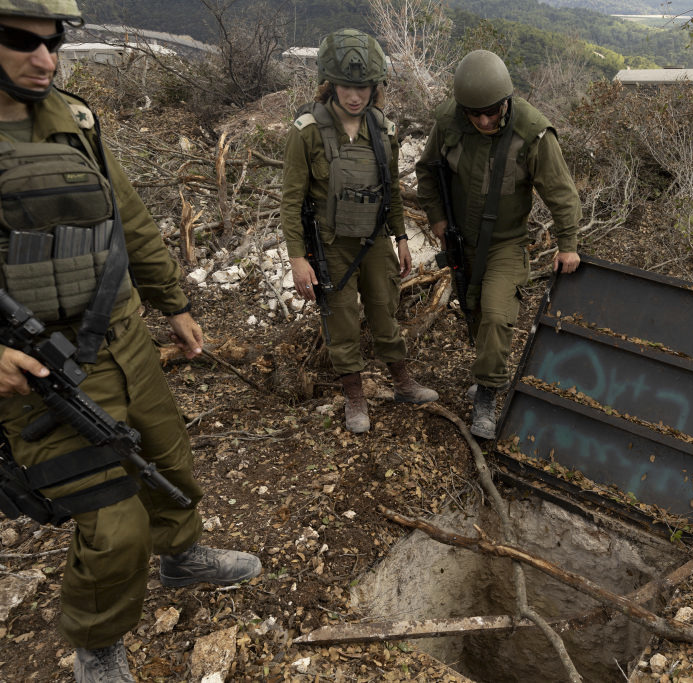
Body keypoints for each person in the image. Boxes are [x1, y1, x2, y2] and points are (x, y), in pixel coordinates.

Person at [0, 1, 261, 680]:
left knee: (169, 457)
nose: (44, 59)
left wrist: (172, 301)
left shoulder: (73, 121)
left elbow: (130, 218)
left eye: (52, 43)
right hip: (38, 372)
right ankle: (98, 643)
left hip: (120, 337)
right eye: (21, 42)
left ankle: (183, 557)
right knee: (113, 525)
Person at [415, 50, 582, 439]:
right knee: (473, 310)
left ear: (506, 100)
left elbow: (561, 192)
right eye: (476, 114)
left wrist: (568, 243)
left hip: (506, 242)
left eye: (493, 111)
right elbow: (426, 170)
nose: (486, 120)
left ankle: (487, 394)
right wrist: (438, 218)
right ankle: (486, 372)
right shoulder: (449, 122)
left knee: (495, 313)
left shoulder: (531, 132)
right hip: (462, 238)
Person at [282, 28, 437, 434]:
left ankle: (402, 382)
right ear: (330, 84)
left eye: (363, 87)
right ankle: (354, 396)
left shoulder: (383, 130)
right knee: (343, 321)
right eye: (347, 86)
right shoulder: (307, 131)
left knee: (386, 310)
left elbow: (393, 192)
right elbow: (291, 201)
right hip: (332, 243)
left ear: (375, 88)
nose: (355, 95)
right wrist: (298, 260)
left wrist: (401, 238)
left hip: (374, 241)